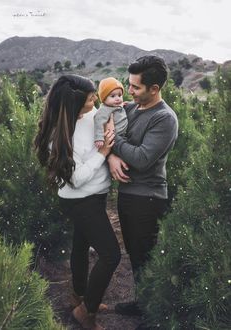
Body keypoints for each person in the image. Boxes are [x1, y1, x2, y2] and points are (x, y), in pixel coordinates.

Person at [34, 74, 121, 330]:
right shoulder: (59, 137)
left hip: (96, 195)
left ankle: (79, 296)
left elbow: (103, 115)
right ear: (74, 104)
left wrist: (114, 111)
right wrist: (103, 153)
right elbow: (77, 179)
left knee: (81, 246)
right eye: (90, 97)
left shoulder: (91, 112)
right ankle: (87, 312)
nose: (95, 99)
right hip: (80, 200)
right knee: (111, 255)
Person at [107, 56, 178, 330]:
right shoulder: (133, 108)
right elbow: (106, 123)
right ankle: (142, 303)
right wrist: (113, 157)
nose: (130, 91)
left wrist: (116, 141)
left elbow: (141, 158)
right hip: (129, 194)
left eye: (136, 87)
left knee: (145, 257)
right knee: (135, 256)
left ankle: (153, 317)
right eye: (130, 85)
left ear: (155, 88)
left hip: (147, 199)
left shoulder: (164, 118)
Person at [94, 77, 128, 148]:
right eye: (113, 96)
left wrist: (121, 105)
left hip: (123, 134)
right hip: (114, 138)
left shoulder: (114, 105)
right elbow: (98, 122)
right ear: (104, 99)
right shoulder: (103, 110)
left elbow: (116, 108)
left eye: (119, 95)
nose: (117, 98)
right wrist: (99, 138)